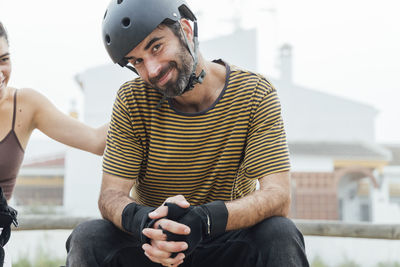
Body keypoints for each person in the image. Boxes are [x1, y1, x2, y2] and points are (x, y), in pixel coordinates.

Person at [65, 0, 309, 266]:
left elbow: (278, 196)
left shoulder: (254, 94)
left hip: (224, 238)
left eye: (156, 47)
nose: (153, 70)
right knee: (88, 237)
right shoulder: (131, 100)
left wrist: (204, 219)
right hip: (152, 243)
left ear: (186, 30)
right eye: (138, 62)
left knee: (280, 234)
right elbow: (110, 195)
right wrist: (146, 223)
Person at [0, 21, 108, 266]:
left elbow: (96, 141)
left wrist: (149, 93)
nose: (0, 72)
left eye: (4, 59)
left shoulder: (25, 104)